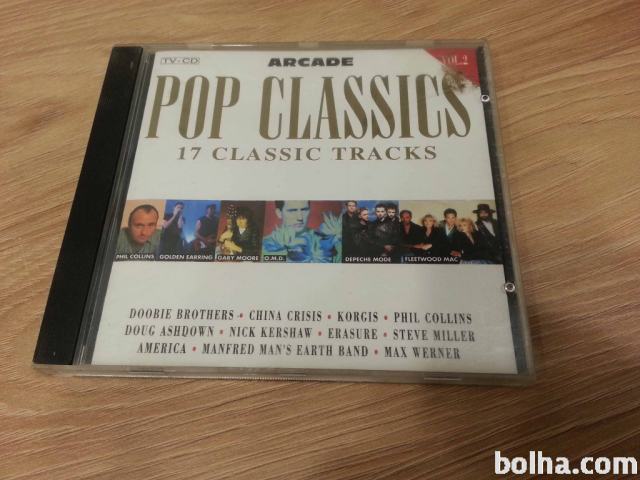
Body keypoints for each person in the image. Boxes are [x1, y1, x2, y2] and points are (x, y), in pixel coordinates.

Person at [262, 201, 341, 262]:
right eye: (292, 211)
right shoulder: (264, 247)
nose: (300, 218)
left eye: (304, 210)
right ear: (279, 213)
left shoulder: (331, 242)